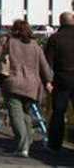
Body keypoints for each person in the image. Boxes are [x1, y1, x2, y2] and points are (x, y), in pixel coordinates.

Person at [0, 19, 53, 158]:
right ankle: (28, 142)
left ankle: (23, 146)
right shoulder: (35, 45)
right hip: (32, 86)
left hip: (13, 83)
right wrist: (48, 81)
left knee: (16, 115)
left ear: (14, 29)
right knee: (25, 114)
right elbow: (44, 66)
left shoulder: (7, 40)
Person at [46, 12, 74, 154]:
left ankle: (55, 144)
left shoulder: (55, 38)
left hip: (62, 79)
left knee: (58, 112)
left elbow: (48, 62)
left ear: (60, 22)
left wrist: (48, 81)